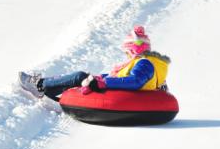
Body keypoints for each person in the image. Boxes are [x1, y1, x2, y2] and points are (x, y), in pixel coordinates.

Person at [19, 26, 171, 101]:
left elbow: (136, 81)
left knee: (80, 76)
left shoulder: (143, 63)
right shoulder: (151, 64)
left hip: (122, 96)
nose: (126, 55)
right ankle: (51, 93)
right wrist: (101, 77)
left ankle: (40, 84)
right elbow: (126, 77)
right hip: (121, 92)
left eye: (127, 52)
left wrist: (104, 82)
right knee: (88, 78)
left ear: (132, 50)